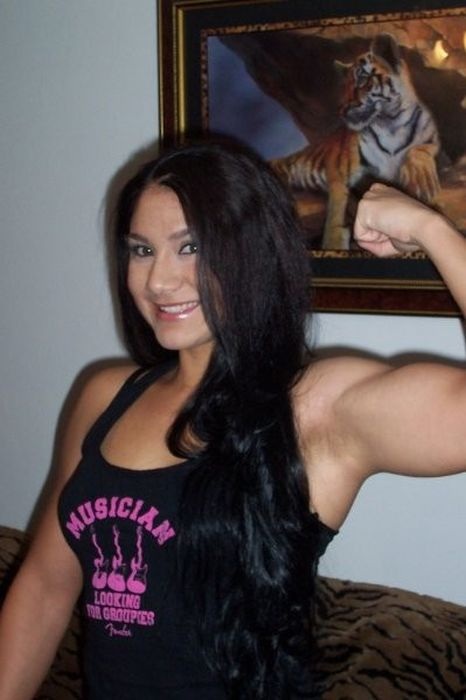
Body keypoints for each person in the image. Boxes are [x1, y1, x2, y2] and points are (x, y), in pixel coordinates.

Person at [0, 140, 465, 700]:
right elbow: (47, 585)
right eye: (142, 250)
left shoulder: (313, 408)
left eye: (190, 247)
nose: (158, 281)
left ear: (252, 252)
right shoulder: (105, 396)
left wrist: (432, 229)